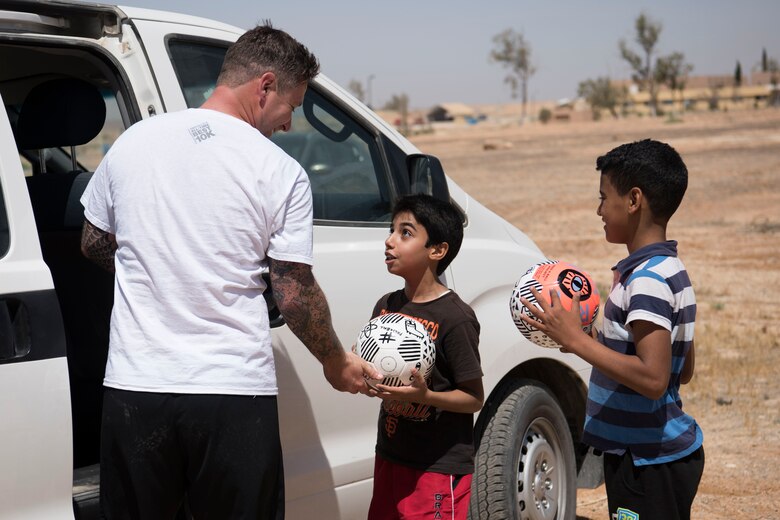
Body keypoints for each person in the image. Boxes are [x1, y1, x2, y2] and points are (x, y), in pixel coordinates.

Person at [79, 22, 379, 519]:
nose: (288, 123)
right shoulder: (279, 171)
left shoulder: (132, 142)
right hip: (231, 393)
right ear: (265, 86)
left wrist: (154, 263)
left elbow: (93, 243)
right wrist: (335, 360)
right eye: (293, 106)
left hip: (136, 389)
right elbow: (293, 289)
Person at [520, 139, 704, 520]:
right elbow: (679, 370)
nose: (599, 209)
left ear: (634, 200)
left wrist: (576, 341)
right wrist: (586, 343)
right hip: (656, 456)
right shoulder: (670, 269)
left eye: (605, 197)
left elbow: (653, 378)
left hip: (646, 462)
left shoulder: (646, 281)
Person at [365, 194, 483, 520]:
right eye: (391, 230)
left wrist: (426, 396)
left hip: (437, 466)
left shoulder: (455, 318)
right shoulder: (386, 306)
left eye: (405, 233)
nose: (389, 241)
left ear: (437, 250)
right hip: (390, 453)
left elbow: (473, 398)